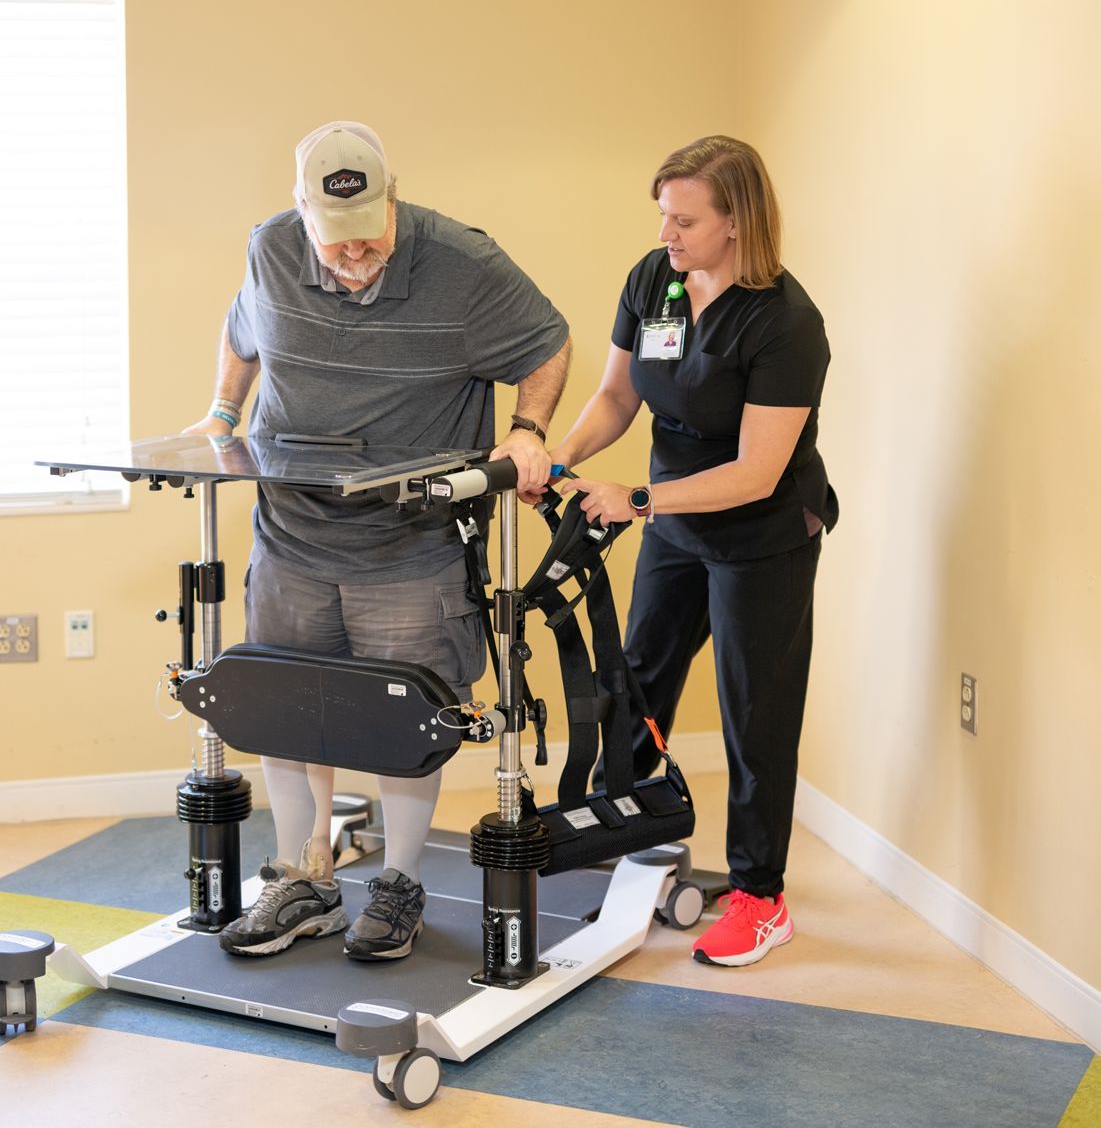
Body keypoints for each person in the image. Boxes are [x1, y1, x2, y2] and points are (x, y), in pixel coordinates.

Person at [185, 120, 570, 961]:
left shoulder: (464, 265)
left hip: (409, 542)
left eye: (368, 245)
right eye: (336, 247)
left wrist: (528, 428)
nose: (353, 261)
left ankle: (396, 883)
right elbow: (243, 334)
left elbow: (548, 343)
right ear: (301, 214)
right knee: (285, 711)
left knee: (406, 720)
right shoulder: (273, 248)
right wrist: (220, 414)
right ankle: (302, 878)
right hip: (290, 531)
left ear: (394, 202)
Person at [548, 135, 836, 969]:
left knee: (755, 710)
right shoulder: (655, 278)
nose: (667, 234)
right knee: (637, 678)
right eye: (662, 217)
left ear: (736, 222)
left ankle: (760, 893)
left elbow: (754, 472)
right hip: (675, 519)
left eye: (685, 219)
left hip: (761, 533)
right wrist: (562, 462)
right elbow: (615, 393)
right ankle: (632, 838)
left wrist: (636, 498)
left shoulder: (786, 322)